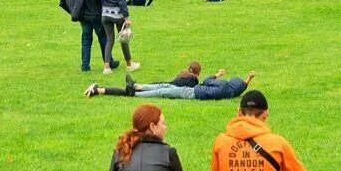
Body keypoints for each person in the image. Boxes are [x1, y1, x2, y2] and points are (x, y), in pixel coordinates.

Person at [211, 90, 324, 171]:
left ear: (239, 112)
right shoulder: (277, 142)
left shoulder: (221, 141)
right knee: (287, 170)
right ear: (265, 114)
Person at [88, 68, 253, 101]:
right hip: (193, 93)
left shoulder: (224, 85)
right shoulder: (230, 93)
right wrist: (248, 80)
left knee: (163, 91)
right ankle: (136, 88)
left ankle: (136, 92)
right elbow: (242, 86)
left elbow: (207, 81)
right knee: (164, 89)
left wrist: (216, 75)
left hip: (192, 93)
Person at [60, 0, 104, 72]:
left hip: (83, 16)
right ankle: (108, 62)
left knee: (86, 40)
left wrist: (73, 11)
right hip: (96, 15)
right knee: (103, 38)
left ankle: (85, 65)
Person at [97, 0, 136, 75]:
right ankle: (129, 64)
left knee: (110, 39)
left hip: (105, 14)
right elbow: (121, 0)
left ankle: (106, 67)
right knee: (123, 38)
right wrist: (127, 17)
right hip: (117, 15)